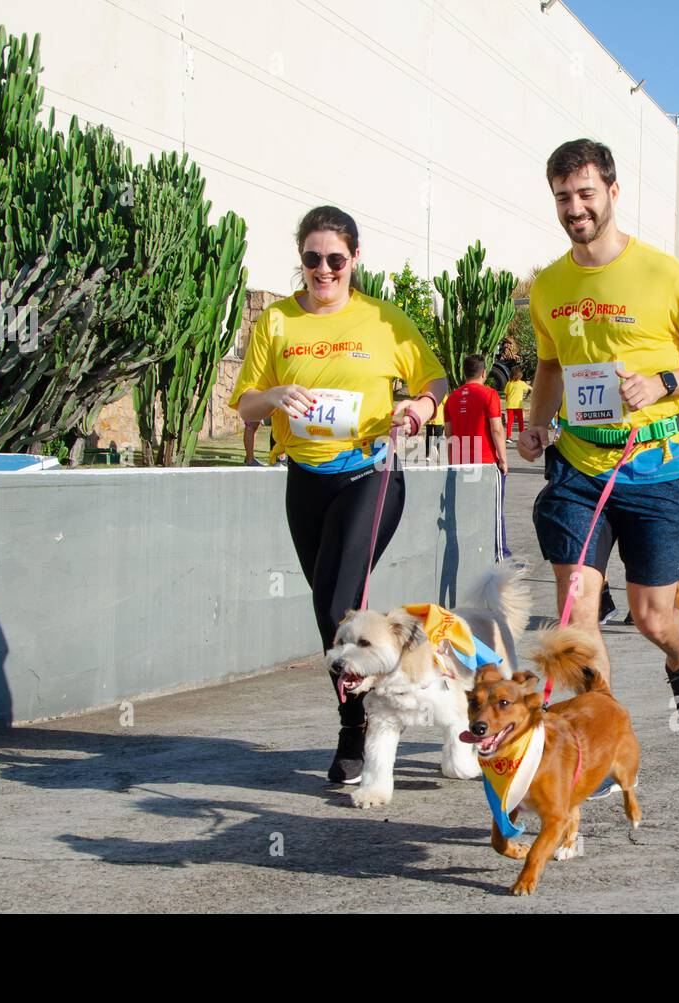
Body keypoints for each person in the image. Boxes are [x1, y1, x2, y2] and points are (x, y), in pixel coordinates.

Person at [517, 138, 679, 758]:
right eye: (563, 197)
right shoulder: (549, 285)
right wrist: (536, 427)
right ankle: (592, 749)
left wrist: (665, 382)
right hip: (582, 469)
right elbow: (550, 366)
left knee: (651, 616)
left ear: (613, 192)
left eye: (586, 193)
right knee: (577, 616)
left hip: (660, 470)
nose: (574, 207)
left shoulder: (663, 273)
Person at [230, 205, 448, 785]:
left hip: (370, 473)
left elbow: (436, 382)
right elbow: (245, 402)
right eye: (311, 259)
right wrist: (274, 393)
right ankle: (395, 688)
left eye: (334, 259)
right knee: (328, 608)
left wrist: (420, 408)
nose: (323, 270)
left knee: (335, 605)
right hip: (306, 479)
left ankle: (356, 727)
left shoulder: (383, 320)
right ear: (300, 259)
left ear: (354, 259)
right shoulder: (276, 322)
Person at [445, 355, 508, 475]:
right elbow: (497, 430)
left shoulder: (451, 398)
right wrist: (503, 460)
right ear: (483, 373)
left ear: (464, 373)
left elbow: (449, 434)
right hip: (485, 463)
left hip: (459, 463)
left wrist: (451, 463)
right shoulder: (490, 395)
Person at [503, 367, 531, 441]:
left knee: (510, 422)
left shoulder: (509, 383)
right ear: (520, 375)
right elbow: (530, 389)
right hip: (518, 406)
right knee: (520, 421)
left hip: (510, 405)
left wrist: (507, 402)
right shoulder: (522, 383)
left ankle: (508, 437)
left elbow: (506, 395)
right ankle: (521, 435)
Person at [423, 395, 445, 463]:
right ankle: (427, 455)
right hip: (429, 418)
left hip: (438, 419)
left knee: (437, 438)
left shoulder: (443, 394)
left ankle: (436, 454)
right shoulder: (427, 394)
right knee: (429, 437)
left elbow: (447, 405)